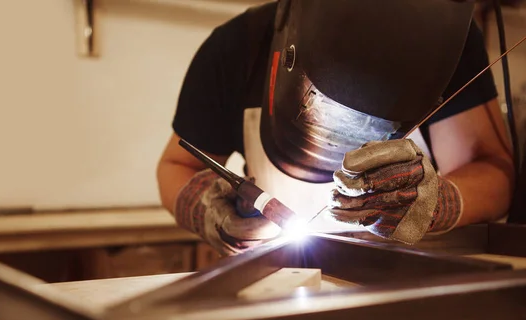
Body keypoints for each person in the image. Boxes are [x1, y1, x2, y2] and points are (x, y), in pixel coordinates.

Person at [157, 1, 515, 256]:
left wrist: (437, 204)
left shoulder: (443, 43)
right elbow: (177, 165)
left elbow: (493, 173)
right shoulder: (239, 46)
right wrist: (207, 208)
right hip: (279, 286)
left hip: (407, 286)